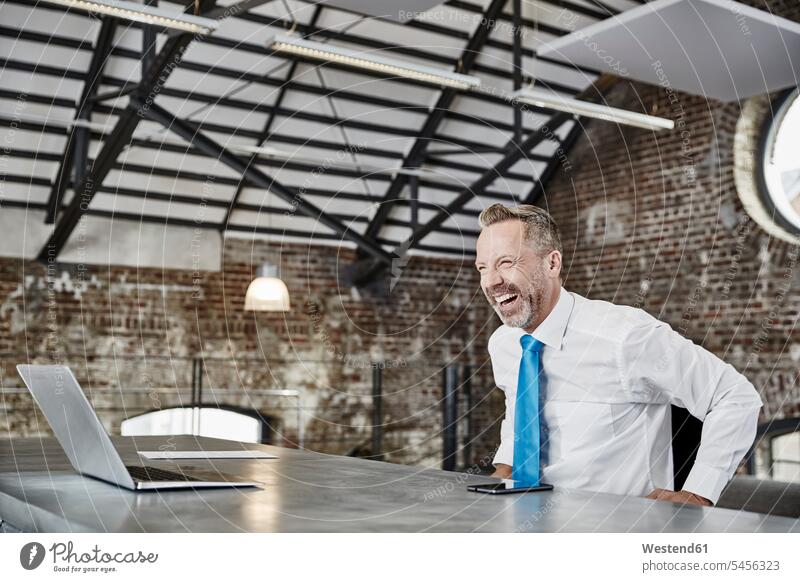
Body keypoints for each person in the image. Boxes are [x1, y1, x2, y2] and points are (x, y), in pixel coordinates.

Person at [475, 203, 762, 506]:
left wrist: (699, 493)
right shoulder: (504, 344)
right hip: (522, 519)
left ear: (552, 263)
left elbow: (735, 395)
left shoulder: (625, 336)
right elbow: (520, 410)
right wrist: (506, 465)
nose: (491, 281)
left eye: (506, 263)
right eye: (483, 267)